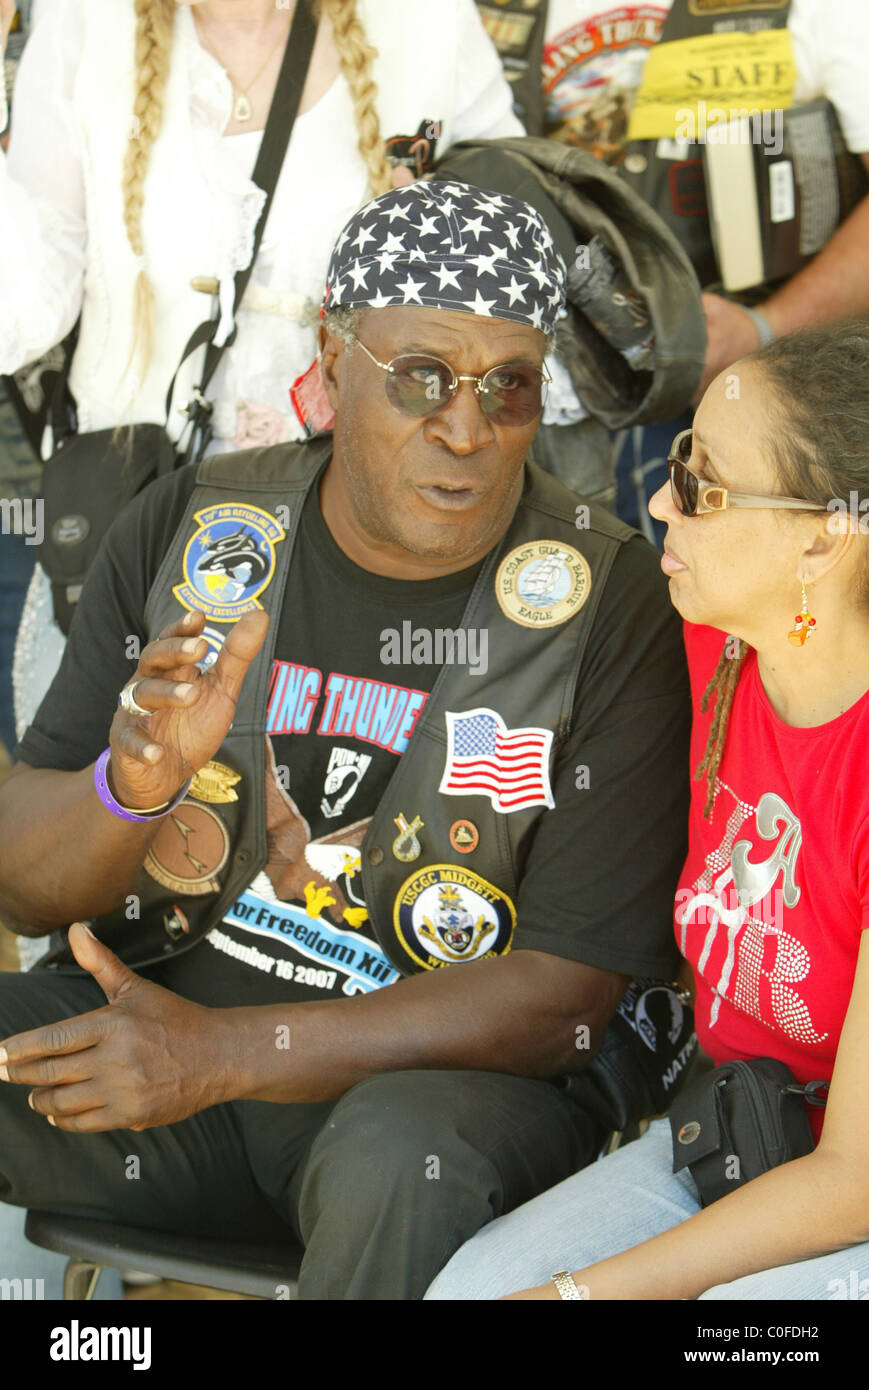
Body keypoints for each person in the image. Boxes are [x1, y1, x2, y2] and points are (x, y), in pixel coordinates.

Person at [0, 180, 690, 1300]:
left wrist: (225, 1055)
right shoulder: (197, 528)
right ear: (328, 368)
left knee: (392, 1161)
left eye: (506, 389)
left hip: (426, 1101)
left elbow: (560, 996)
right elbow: (25, 890)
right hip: (157, 1041)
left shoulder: (605, 600)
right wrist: (128, 788)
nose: (463, 430)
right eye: (419, 379)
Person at [426, 318, 869, 1302]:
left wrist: (583, 1293)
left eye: (703, 486)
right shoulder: (708, 650)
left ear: (821, 538)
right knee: (468, 1291)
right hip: (743, 1129)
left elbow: (852, 1182)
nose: (661, 501)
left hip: (846, 1179)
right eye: (676, 464)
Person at [0, 0, 522, 739]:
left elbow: (510, 286)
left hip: (359, 541)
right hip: (144, 544)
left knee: (324, 833)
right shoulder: (86, 19)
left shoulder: (422, 19)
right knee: (109, 815)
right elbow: (19, 319)